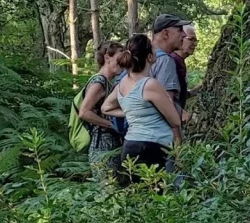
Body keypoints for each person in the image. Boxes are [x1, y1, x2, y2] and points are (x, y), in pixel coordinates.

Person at [103, 33, 183, 181]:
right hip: (153, 147)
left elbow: (105, 108)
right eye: (153, 49)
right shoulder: (150, 84)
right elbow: (175, 121)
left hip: (130, 146)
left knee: (140, 197)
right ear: (149, 57)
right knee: (158, 197)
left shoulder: (122, 84)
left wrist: (131, 111)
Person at [77, 40, 126, 171]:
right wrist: (111, 125)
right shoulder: (99, 82)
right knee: (107, 188)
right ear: (107, 58)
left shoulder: (109, 82)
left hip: (111, 142)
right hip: (102, 144)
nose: (122, 63)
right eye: (119, 58)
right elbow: (84, 112)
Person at [149, 13, 188, 120]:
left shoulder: (140, 57)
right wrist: (177, 134)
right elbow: (167, 104)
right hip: (157, 131)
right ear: (165, 34)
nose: (184, 35)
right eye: (180, 30)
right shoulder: (165, 61)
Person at [171, 22, 197, 106]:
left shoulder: (179, 61)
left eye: (195, 40)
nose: (194, 44)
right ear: (181, 38)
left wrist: (192, 92)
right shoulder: (172, 61)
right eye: (191, 39)